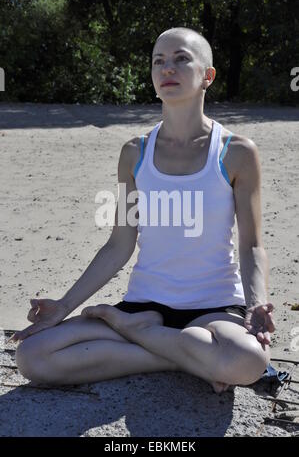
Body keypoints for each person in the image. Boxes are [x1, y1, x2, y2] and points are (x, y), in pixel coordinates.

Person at [11, 27, 275, 394]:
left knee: (249, 360)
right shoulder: (135, 153)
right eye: (159, 61)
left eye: (181, 59)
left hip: (214, 309)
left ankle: (145, 337)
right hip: (142, 304)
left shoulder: (236, 152)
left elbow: (251, 245)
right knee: (33, 356)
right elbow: (120, 243)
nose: (168, 68)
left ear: (207, 76)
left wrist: (256, 303)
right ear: (152, 77)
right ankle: (179, 354)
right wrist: (63, 305)